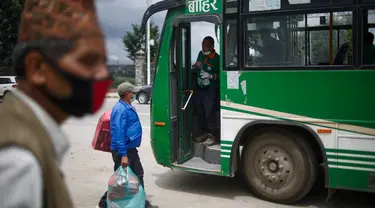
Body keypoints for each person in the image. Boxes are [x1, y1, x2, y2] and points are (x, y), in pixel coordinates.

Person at [0, 0, 111, 207]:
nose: (103, 75)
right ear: (37, 69)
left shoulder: (33, 136)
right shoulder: (18, 163)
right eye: (87, 61)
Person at [97, 82, 158, 208]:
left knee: (131, 176)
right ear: (127, 94)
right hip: (123, 150)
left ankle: (142, 203)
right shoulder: (120, 109)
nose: (135, 94)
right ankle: (103, 204)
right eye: (133, 92)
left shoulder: (127, 105)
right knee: (122, 180)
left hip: (129, 148)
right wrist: (123, 155)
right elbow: (118, 134)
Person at [192, 36, 220, 146]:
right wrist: (197, 65)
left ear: (212, 46)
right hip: (200, 88)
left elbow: (222, 76)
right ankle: (203, 133)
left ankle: (213, 135)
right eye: (202, 46)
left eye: (206, 46)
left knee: (210, 113)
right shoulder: (201, 54)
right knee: (200, 112)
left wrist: (211, 76)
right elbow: (198, 64)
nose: (203, 48)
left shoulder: (217, 58)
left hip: (210, 90)